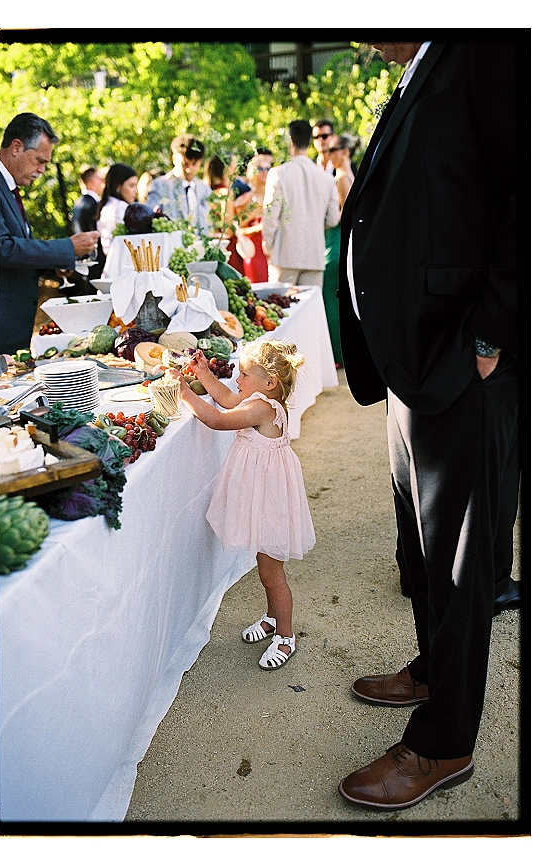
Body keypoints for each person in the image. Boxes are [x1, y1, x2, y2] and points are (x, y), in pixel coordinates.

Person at [336, 41, 520, 810]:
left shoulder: (494, 48)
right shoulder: (422, 65)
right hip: (414, 359)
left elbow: (529, 190)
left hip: (462, 358)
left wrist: (490, 333)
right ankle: (433, 669)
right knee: (421, 543)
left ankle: (443, 744)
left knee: (462, 562)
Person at [172, 340, 315, 669]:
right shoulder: (259, 399)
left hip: (271, 499)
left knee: (272, 574)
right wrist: (204, 374)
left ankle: (286, 636)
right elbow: (228, 399)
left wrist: (185, 394)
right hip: (262, 493)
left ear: (269, 383)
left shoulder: (263, 409)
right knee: (265, 569)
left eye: (244, 373)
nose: (238, 378)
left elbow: (219, 419)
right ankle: (270, 618)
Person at [0, 112, 100, 355]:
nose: (42, 170)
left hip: (12, 327)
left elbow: (17, 249)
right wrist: (67, 248)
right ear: (16, 147)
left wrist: (53, 265)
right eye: (39, 161)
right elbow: (1, 248)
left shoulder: (9, 187)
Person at [262, 119, 339, 288]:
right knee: (309, 311)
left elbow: (270, 217)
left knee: (281, 310)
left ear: (290, 141)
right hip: (314, 256)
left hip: (284, 255)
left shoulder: (278, 174)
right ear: (310, 142)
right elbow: (333, 219)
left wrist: (268, 247)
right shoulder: (326, 179)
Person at [321, 132, 357, 367]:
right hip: (345, 239)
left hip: (337, 238)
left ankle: (336, 355)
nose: (327, 155)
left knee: (329, 296)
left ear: (344, 152)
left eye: (332, 150)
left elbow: (344, 216)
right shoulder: (350, 174)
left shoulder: (340, 178)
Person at [145, 135, 211, 234]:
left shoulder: (204, 189)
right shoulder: (159, 186)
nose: (189, 169)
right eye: (185, 164)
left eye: (194, 164)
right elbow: (151, 221)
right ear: (174, 159)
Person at [233, 152, 273, 283]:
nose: (264, 172)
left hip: (274, 249)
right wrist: (257, 227)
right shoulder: (245, 200)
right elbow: (237, 228)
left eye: (268, 168)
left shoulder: (276, 197)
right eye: (260, 169)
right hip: (255, 251)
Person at [71, 165, 106, 278]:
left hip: (83, 261)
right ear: (91, 182)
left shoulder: (78, 203)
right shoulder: (93, 206)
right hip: (96, 261)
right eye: (99, 179)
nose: (102, 182)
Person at [96, 163, 138, 256]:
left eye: (136, 185)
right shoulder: (120, 208)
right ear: (118, 187)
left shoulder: (107, 206)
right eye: (131, 186)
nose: (136, 190)